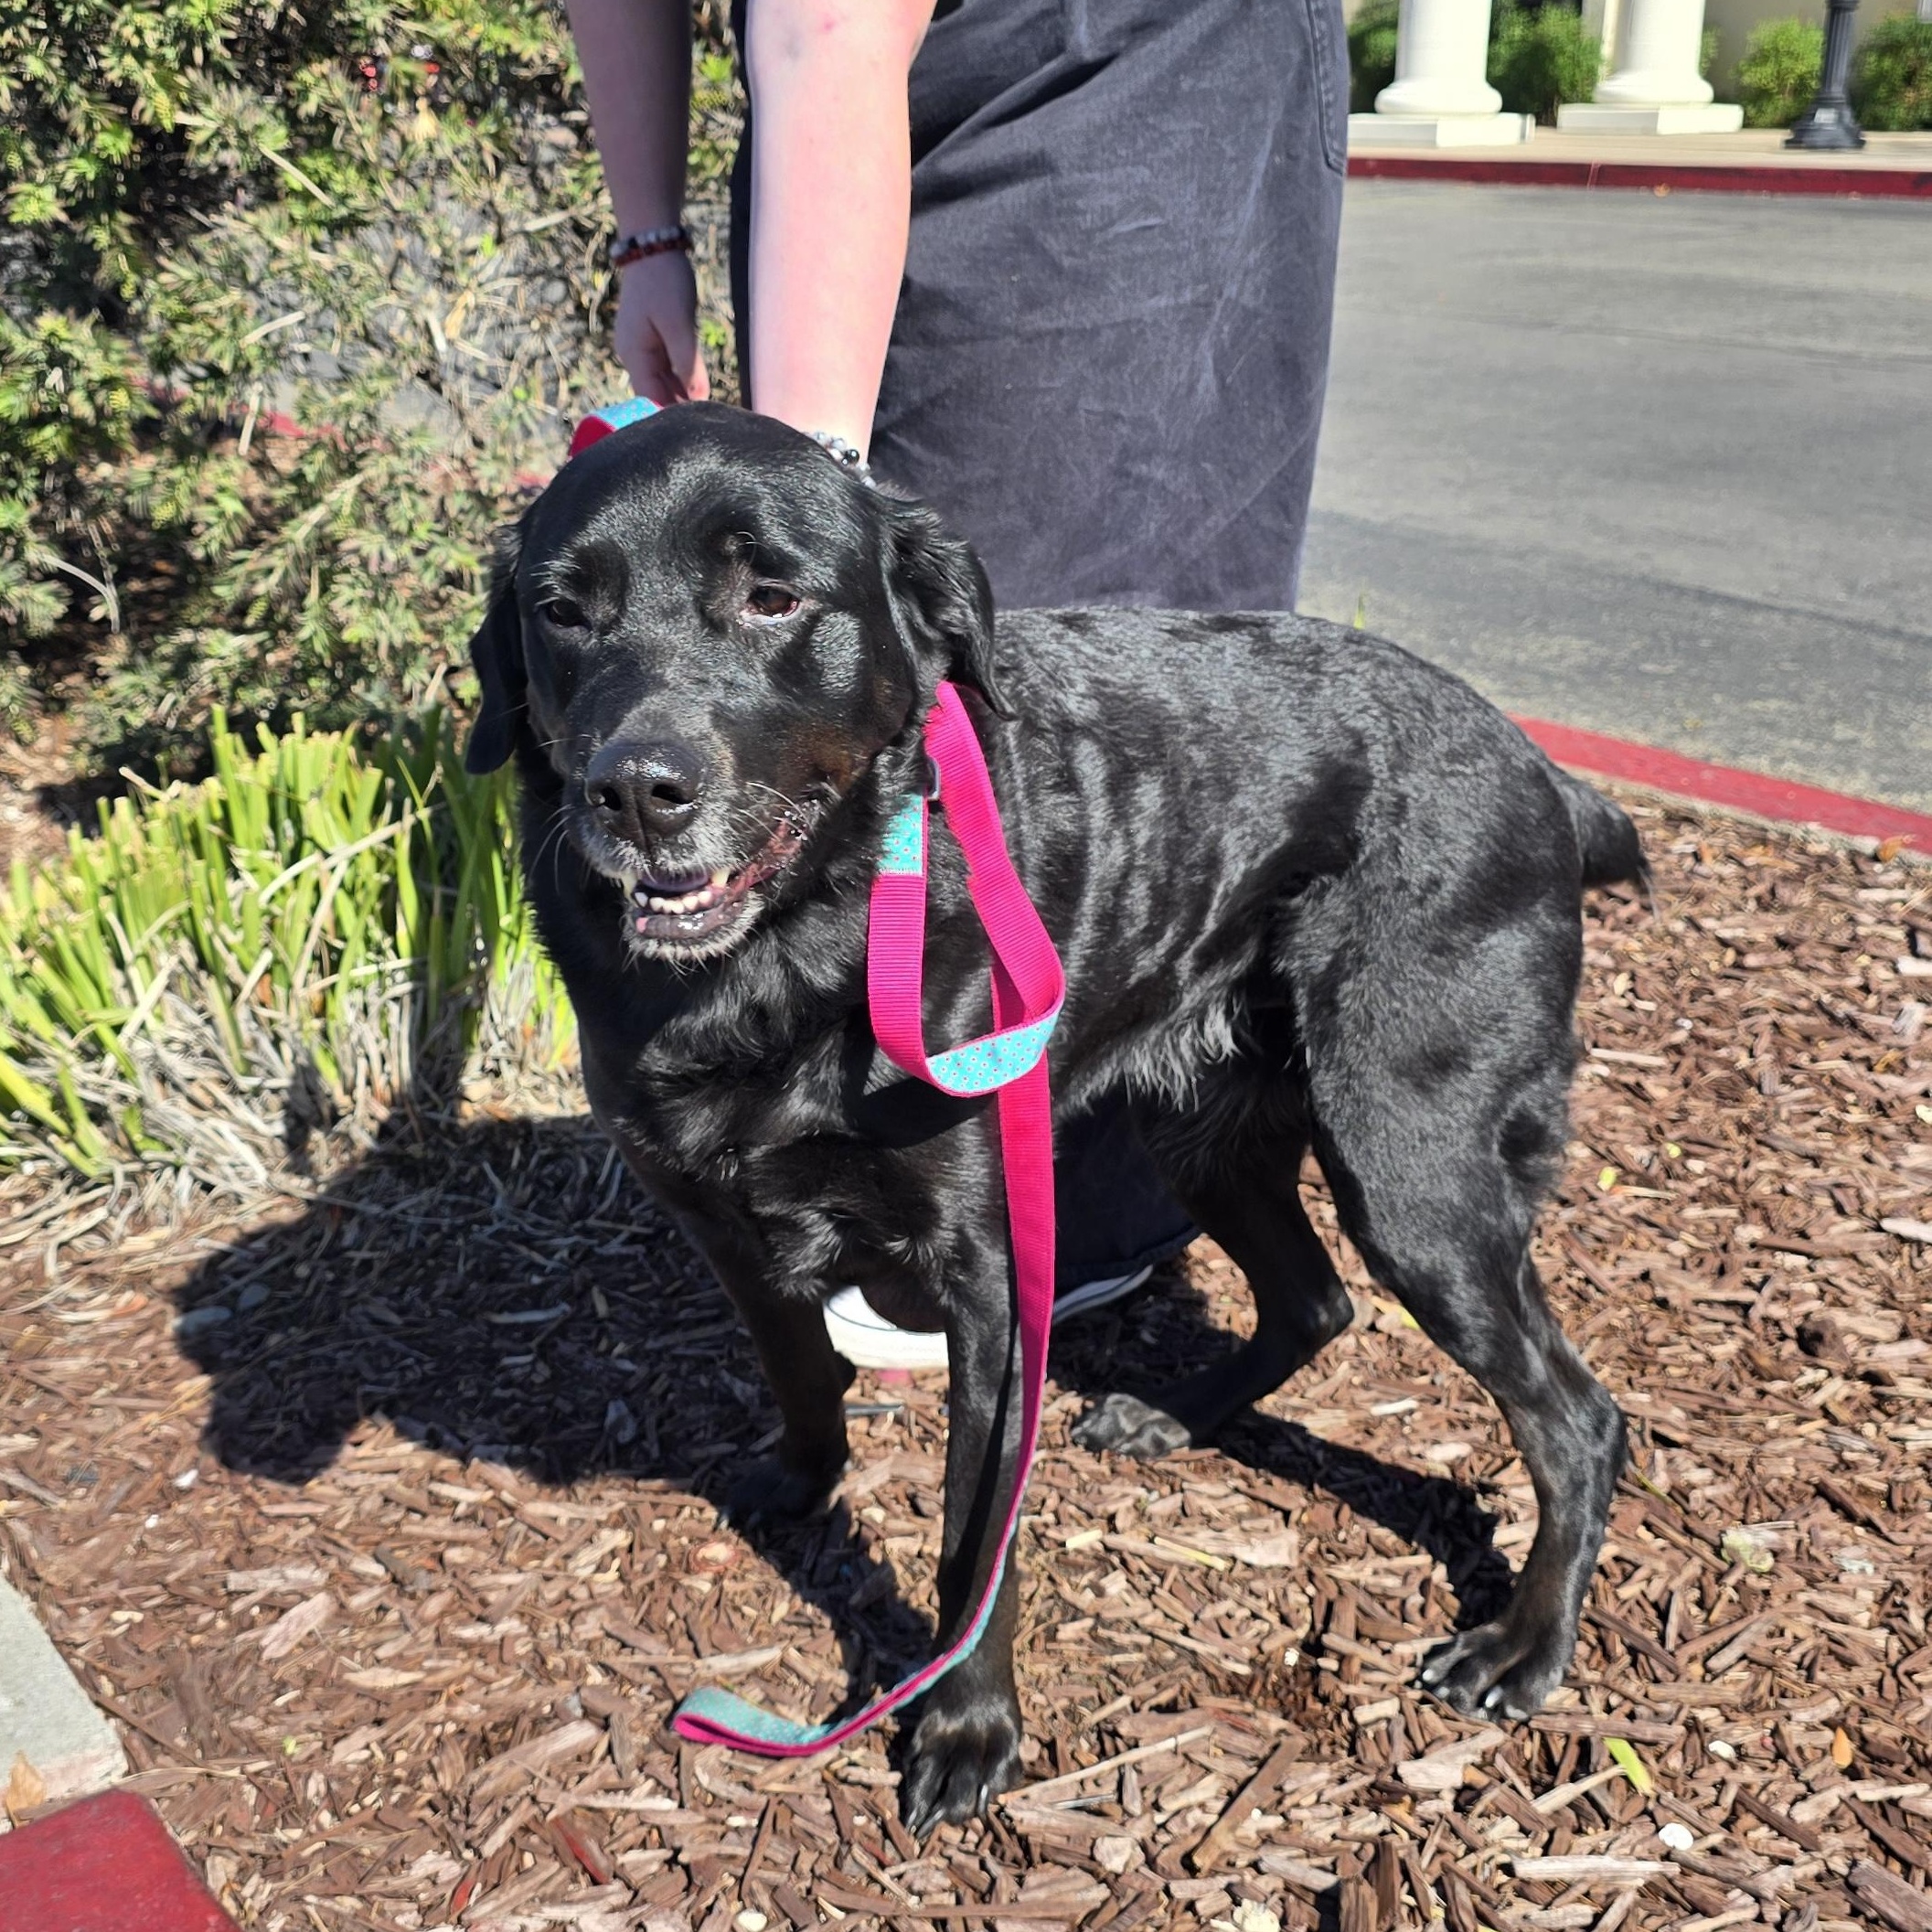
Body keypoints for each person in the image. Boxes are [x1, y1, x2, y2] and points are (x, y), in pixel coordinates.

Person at [561, 0, 1348, 1367]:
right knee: (818, 691)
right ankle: (880, 1165)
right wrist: (651, 237)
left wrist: (810, 517)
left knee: (1040, 676)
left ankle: (1061, 1214)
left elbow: (822, 20)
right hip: (844, 94)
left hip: (1118, 80)